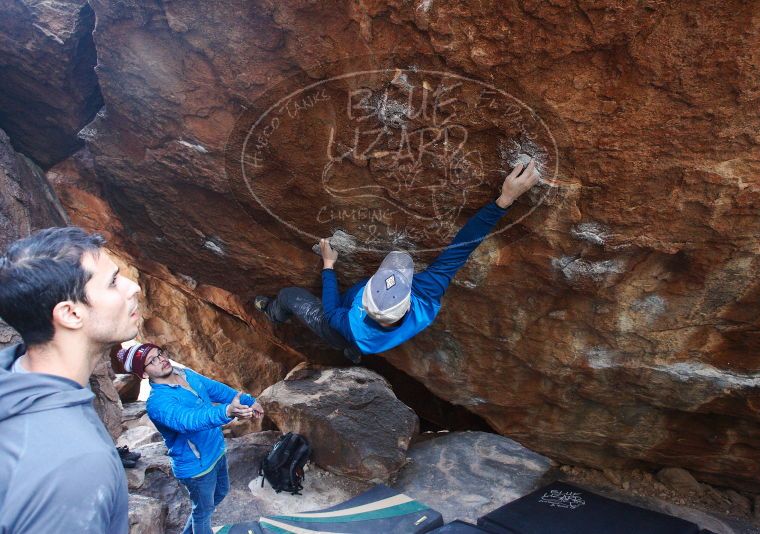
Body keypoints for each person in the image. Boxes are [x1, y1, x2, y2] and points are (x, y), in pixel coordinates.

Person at [255, 159, 541, 361]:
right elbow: (462, 246)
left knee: (290, 295)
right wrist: (505, 200)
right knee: (353, 335)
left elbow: (330, 313)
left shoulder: (348, 323)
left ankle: (273, 313)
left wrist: (329, 266)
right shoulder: (425, 295)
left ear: (366, 305)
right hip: (367, 338)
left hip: (342, 331)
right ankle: (354, 353)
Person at [0, 227, 139, 533]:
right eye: (113, 282)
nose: (132, 288)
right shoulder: (73, 467)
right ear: (71, 314)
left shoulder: (11, 384)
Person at [117, 342, 263, 534]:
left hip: (216, 452)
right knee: (203, 513)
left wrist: (250, 401)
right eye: (152, 360)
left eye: (159, 353)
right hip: (196, 467)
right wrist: (226, 411)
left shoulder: (184, 374)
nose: (161, 360)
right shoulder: (158, 403)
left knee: (219, 494)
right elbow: (188, 421)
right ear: (144, 374)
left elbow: (216, 389)